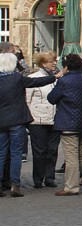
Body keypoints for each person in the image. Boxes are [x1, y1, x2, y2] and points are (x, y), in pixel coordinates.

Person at [0, 52, 57, 197]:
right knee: (16, 153)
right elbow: (35, 82)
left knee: (1, 153)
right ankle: (15, 185)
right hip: (17, 120)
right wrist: (53, 77)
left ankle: (1, 184)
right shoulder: (17, 78)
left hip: (2, 121)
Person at [49, 54, 82, 195]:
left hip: (68, 122)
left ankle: (71, 186)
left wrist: (59, 78)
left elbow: (51, 98)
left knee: (71, 156)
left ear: (66, 67)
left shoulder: (64, 81)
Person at [26, 51, 61, 188]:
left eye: (54, 61)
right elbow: (27, 100)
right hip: (37, 120)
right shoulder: (33, 78)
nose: (54, 63)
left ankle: (50, 177)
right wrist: (29, 119)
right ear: (43, 63)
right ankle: (38, 178)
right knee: (39, 151)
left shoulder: (57, 78)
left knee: (52, 150)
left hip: (54, 118)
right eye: (51, 61)